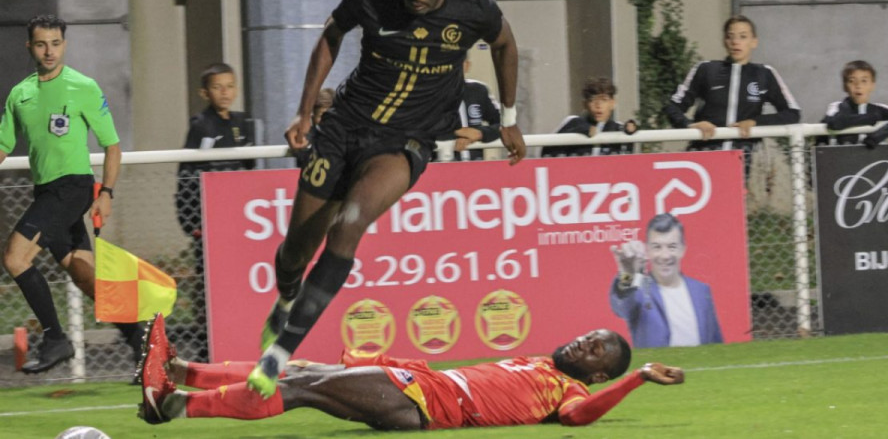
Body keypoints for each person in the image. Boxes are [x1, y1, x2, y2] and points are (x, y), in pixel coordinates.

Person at [248, 0, 527, 398]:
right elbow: (331, 34)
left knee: (349, 225)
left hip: (406, 140)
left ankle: (278, 354)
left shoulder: (474, 6)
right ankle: (287, 295)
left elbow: (505, 45)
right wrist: (304, 109)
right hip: (344, 128)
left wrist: (510, 117)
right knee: (295, 249)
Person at [138, 313, 684, 429]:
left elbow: (581, 419)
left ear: (598, 375)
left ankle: (172, 406)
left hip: (424, 402)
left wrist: (636, 380)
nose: (582, 342)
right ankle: (182, 371)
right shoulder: (541, 363)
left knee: (299, 385)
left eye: (594, 352)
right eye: (588, 336)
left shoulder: (565, 393)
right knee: (302, 368)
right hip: (420, 384)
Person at [0, 14, 143, 373]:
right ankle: (145, 347)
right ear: (29, 46)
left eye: (56, 43)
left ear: (64, 44)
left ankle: (55, 339)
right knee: (87, 278)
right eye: (41, 44)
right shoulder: (20, 94)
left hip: (74, 188)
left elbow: (112, 146)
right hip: (46, 193)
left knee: (16, 258)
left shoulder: (84, 86)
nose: (49, 51)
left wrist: (106, 192)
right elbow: (3, 144)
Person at [663, 15, 801, 174]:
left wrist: (755, 122)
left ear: (754, 42)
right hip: (704, 158)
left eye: (743, 37)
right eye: (730, 36)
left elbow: (793, 113)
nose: (736, 42)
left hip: (746, 160)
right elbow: (673, 107)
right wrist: (689, 125)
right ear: (724, 41)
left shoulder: (765, 74)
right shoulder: (705, 69)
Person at [609, 213, 723, 348]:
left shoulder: (701, 291)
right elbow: (621, 307)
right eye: (657, 247)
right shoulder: (639, 289)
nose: (665, 255)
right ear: (648, 250)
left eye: (672, 246)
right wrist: (627, 274)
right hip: (657, 369)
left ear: (682, 249)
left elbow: (717, 344)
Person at [175, 62, 254, 239]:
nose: (224, 92)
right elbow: (187, 170)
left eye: (230, 86)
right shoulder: (201, 125)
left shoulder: (243, 122)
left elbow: (251, 167)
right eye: (217, 87)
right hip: (209, 208)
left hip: (240, 206)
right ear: (205, 93)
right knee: (208, 260)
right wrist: (190, 218)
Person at [818, 60, 888, 148]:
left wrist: (875, 137)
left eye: (864, 81)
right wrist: (869, 118)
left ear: (872, 85)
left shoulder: (878, 109)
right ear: (844, 86)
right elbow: (834, 123)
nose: (858, 86)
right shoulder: (837, 106)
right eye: (852, 81)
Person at [541, 77, 637, 158]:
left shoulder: (619, 128)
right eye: (592, 100)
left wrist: (632, 130)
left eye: (604, 100)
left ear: (613, 103)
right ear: (584, 104)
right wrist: (583, 131)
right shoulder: (573, 122)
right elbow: (547, 152)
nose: (598, 105)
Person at [434, 58, 501, 161]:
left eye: (459, 62)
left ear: (467, 65)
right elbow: (417, 128)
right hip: (439, 165)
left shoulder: (479, 90)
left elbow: (504, 124)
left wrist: (480, 134)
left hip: (476, 166)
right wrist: (456, 133)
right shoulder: (428, 94)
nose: (455, 67)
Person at [294, 87, 335, 168]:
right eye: (321, 116)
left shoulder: (345, 134)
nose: (326, 120)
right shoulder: (306, 136)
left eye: (331, 116)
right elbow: (302, 158)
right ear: (312, 116)